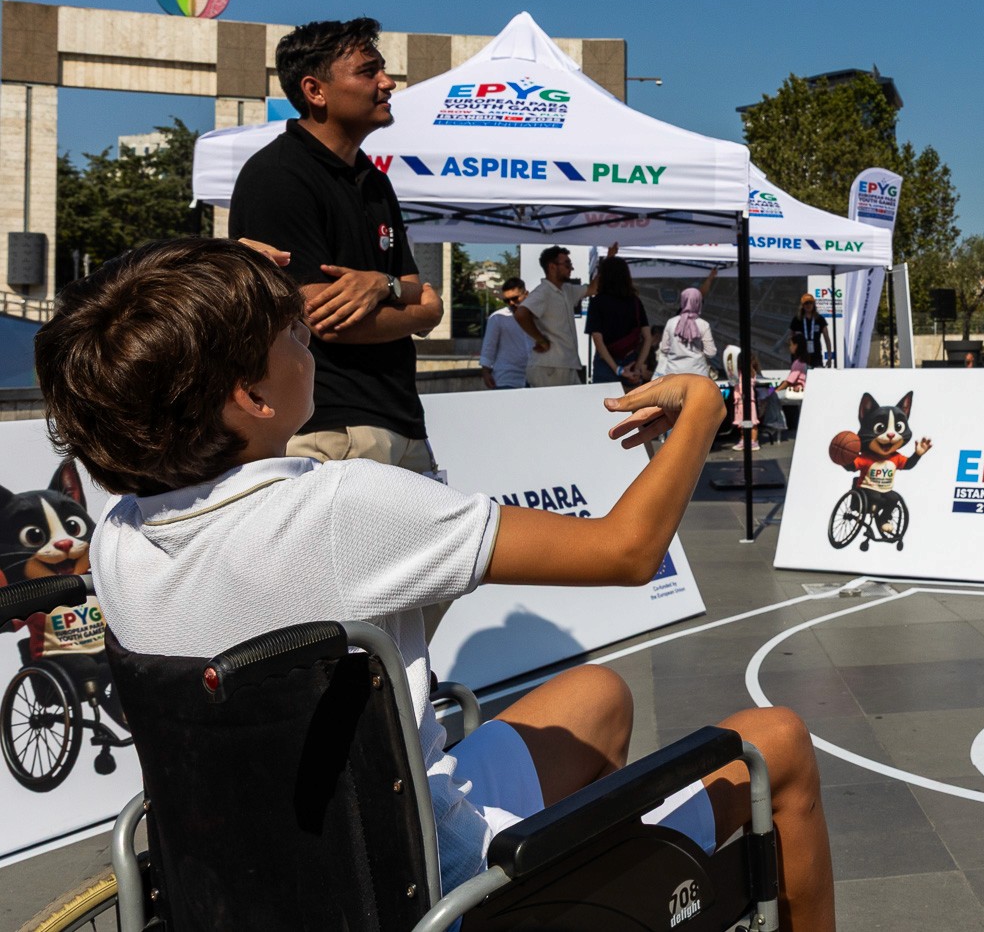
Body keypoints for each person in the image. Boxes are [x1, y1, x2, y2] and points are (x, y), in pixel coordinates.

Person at [35, 238, 835, 929]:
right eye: (291, 332)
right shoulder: (342, 508)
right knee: (778, 743)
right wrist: (701, 409)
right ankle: (566, 897)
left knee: (596, 697)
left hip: (265, 874)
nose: (308, 336)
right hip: (435, 885)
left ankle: (596, 874)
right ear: (250, 396)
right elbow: (626, 552)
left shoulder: (119, 536)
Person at [228, 17, 443, 475]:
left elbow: (412, 284)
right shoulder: (278, 175)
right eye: (368, 71)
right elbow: (326, 318)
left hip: (402, 419)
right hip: (330, 428)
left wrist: (381, 284)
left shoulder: (374, 181)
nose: (387, 83)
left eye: (382, 69)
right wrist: (423, 314)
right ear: (315, 90)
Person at [514, 245, 602, 388]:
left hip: (564, 365)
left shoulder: (566, 290)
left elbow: (593, 289)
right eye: (567, 264)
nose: (571, 268)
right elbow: (521, 313)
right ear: (552, 267)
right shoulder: (543, 291)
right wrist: (540, 339)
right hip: (549, 367)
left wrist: (608, 259)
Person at [585, 255, 652, 390]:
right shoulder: (635, 301)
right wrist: (638, 366)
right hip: (631, 362)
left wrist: (617, 369)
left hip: (605, 363)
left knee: (604, 401)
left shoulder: (597, 302)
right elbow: (648, 337)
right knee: (632, 402)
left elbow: (597, 339)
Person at [657, 278, 719, 378]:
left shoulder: (671, 322)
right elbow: (711, 352)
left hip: (673, 373)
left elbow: (664, 349)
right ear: (698, 303)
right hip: (698, 374)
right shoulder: (703, 324)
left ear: (682, 301)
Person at [479, 277, 533, 389]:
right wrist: (486, 372)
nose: (511, 303)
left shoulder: (538, 316)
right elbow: (489, 347)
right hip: (507, 378)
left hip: (533, 378)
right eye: (507, 300)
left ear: (526, 294)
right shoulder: (498, 318)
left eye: (515, 298)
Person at [789, 294, 831, 369]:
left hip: (816, 356)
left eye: (810, 303)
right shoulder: (797, 319)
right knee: (801, 375)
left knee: (818, 374)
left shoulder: (820, 319)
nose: (808, 305)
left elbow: (827, 339)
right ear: (802, 305)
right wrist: (793, 355)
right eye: (806, 303)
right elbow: (791, 339)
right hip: (800, 356)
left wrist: (829, 356)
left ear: (813, 304)